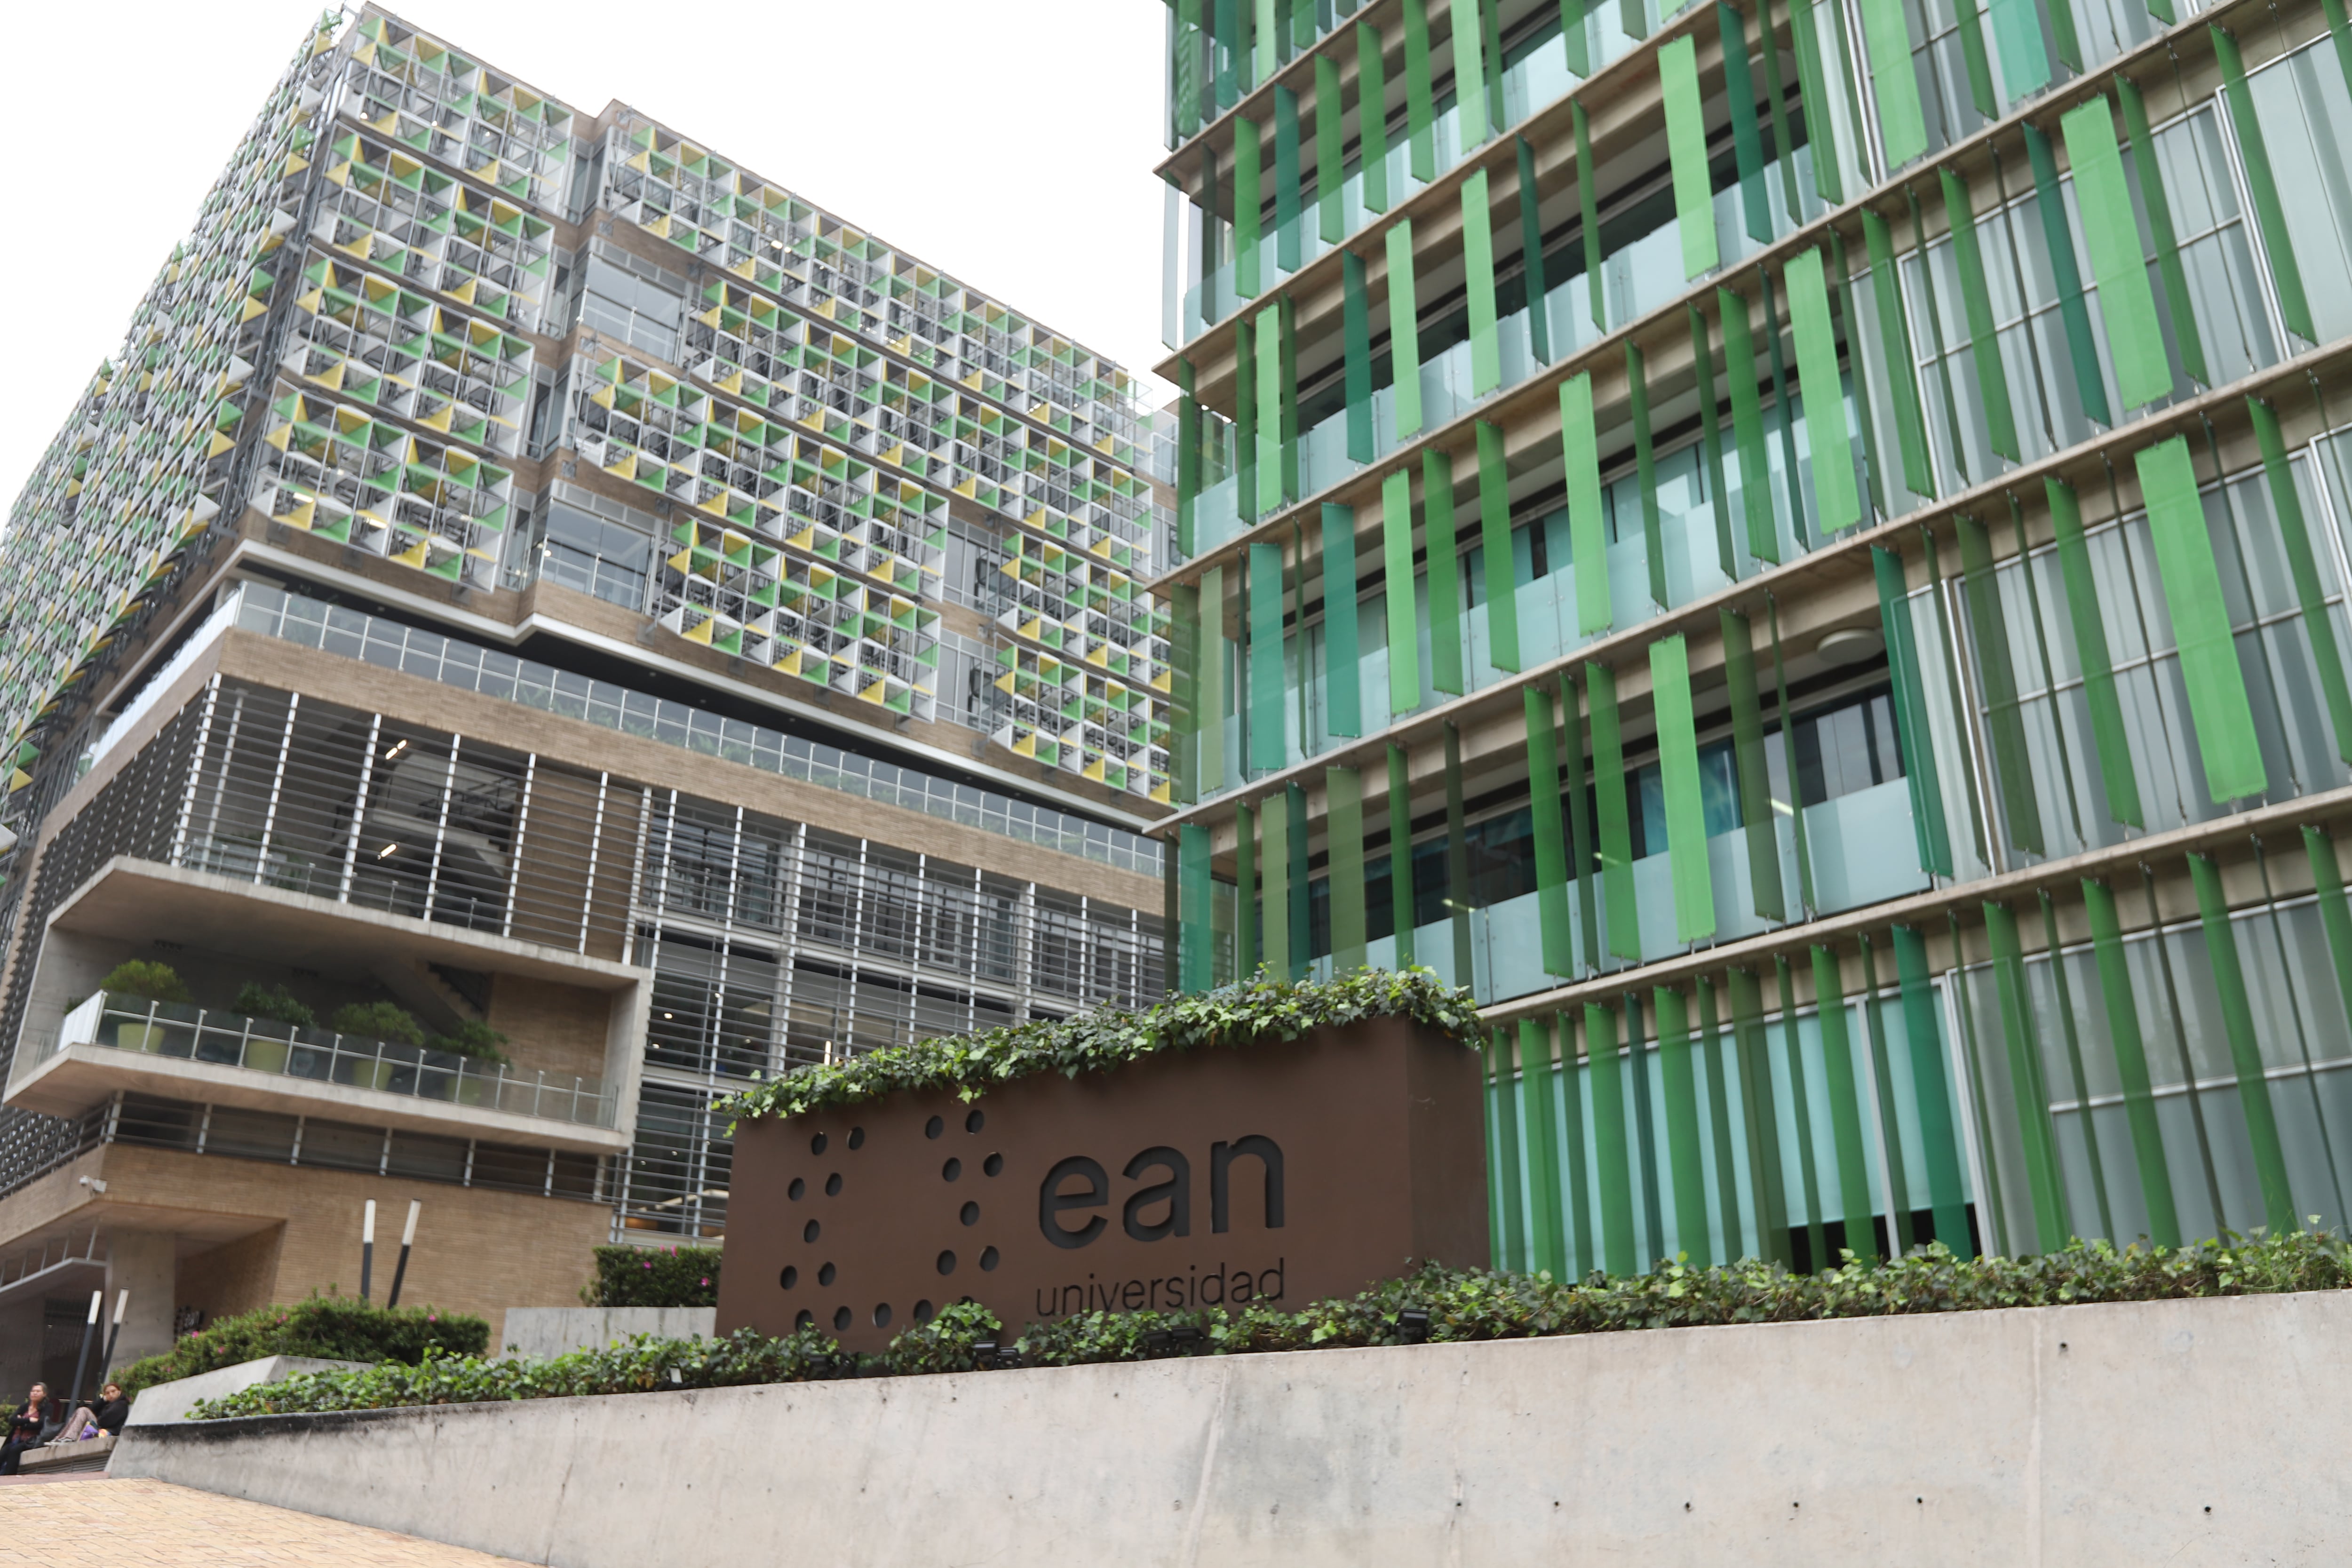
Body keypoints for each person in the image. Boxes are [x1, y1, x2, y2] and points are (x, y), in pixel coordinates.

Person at [0, 1384, 53, 1474]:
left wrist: (21, 1424)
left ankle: (9, 1477)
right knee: (4, 1451)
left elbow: (40, 1424)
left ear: (44, 1394)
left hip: (31, 1440)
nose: (35, 1393)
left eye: (38, 1391)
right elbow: (12, 1421)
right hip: (16, 1439)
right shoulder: (25, 1406)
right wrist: (29, 1420)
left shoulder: (48, 1407)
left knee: (15, 1451)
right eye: (33, 1391)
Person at [55, 1382, 127, 1443]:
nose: (111, 1395)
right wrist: (103, 1400)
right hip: (100, 1426)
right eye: (107, 1393)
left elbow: (107, 1420)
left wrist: (98, 1419)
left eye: (113, 1391)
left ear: (119, 1392)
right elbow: (91, 1409)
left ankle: (69, 1437)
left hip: (107, 1430)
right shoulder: (107, 1404)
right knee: (81, 1411)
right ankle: (62, 1437)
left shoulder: (121, 1404)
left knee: (83, 1410)